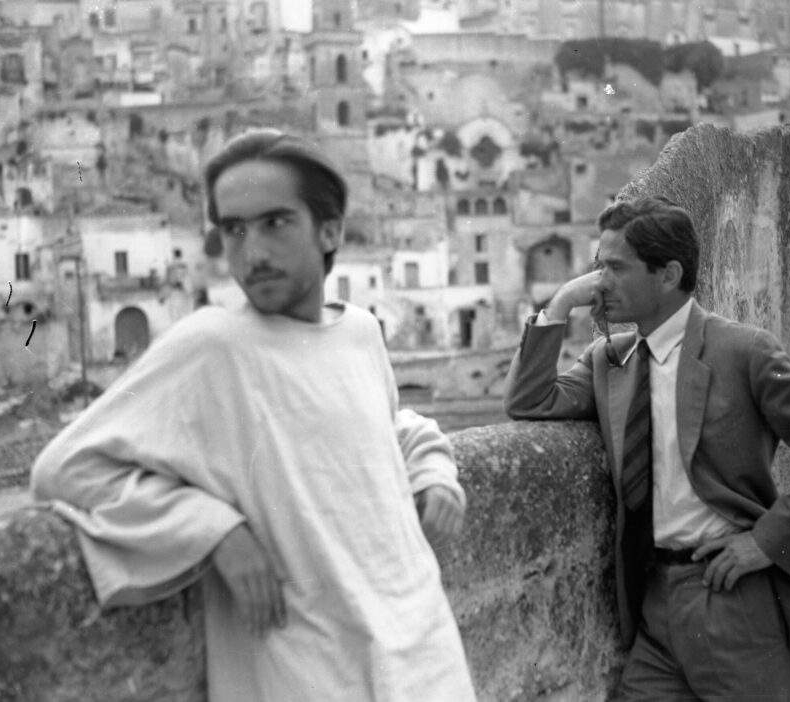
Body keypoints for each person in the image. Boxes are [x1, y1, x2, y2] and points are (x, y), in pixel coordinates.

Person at [31, 129, 477, 702]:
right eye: (233, 230)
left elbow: (384, 427)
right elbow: (64, 469)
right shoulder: (211, 345)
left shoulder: (361, 332)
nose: (253, 252)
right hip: (311, 670)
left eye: (275, 223)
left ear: (330, 230)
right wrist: (214, 531)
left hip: (426, 654)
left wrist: (435, 471)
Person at [504, 196, 790, 700]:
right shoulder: (611, 360)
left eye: (614, 267)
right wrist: (561, 303)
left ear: (668, 274)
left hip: (732, 599)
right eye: (596, 267)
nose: (600, 281)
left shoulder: (743, 351)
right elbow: (529, 401)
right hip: (654, 607)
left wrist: (767, 542)